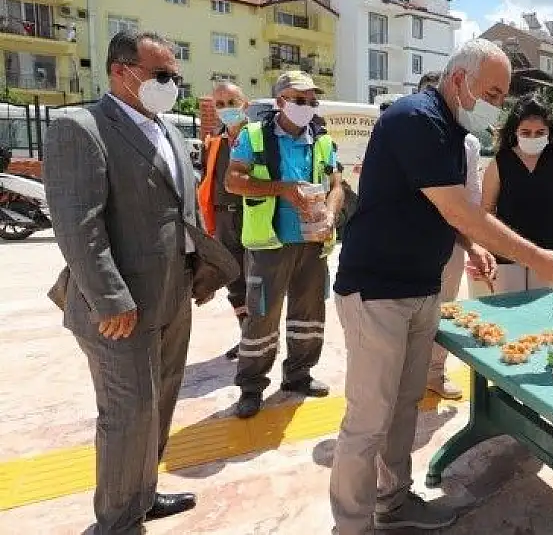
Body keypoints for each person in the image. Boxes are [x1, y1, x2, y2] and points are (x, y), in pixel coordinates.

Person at [329, 39, 553, 533]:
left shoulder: (450, 129)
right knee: (367, 420)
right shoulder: (415, 118)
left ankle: (394, 502)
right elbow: (457, 207)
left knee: (404, 406)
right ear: (459, 79)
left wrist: (471, 246)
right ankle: (351, 525)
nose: (496, 104)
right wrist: (541, 259)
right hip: (378, 289)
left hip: (422, 286)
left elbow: (441, 209)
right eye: (491, 91)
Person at [42, 30, 231, 532]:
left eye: (175, 76)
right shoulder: (81, 127)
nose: (171, 85)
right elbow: (79, 225)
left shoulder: (166, 130)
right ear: (120, 72)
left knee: (160, 402)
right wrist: (108, 300)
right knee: (128, 415)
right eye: (161, 75)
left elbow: (181, 213)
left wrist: (203, 271)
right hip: (120, 308)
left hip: (172, 297)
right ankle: (118, 522)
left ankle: (141, 495)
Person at [224, 70, 344, 419]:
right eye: (299, 99)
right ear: (280, 102)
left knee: (309, 317)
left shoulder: (321, 140)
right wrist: (282, 188)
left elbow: (336, 185)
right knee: (262, 318)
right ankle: (251, 386)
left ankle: (299, 376)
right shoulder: (254, 136)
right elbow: (234, 180)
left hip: (312, 243)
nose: (307, 106)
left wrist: (331, 215)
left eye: (311, 101)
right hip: (269, 245)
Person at [480, 93, 553, 293]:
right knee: (509, 314)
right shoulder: (499, 162)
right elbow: (486, 211)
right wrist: (483, 250)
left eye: (540, 132)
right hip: (506, 254)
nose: (533, 137)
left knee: (543, 316)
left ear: (549, 132)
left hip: (550, 254)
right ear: (515, 131)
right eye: (525, 132)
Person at [418, 70, 476, 400]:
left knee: (444, 309)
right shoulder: (402, 133)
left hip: (451, 242)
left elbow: (471, 199)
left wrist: (472, 242)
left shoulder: (467, 143)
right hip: (411, 244)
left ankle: (435, 373)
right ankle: (405, 375)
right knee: (410, 312)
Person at [198, 81, 251, 359]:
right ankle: (246, 334)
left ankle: (260, 337)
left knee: (257, 279)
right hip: (222, 220)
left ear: (246, 104)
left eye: (232, 102)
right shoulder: (214, 142)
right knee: (234, 278)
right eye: (220, 105)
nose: (226, 109)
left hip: (253, 217)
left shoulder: (258, 139)